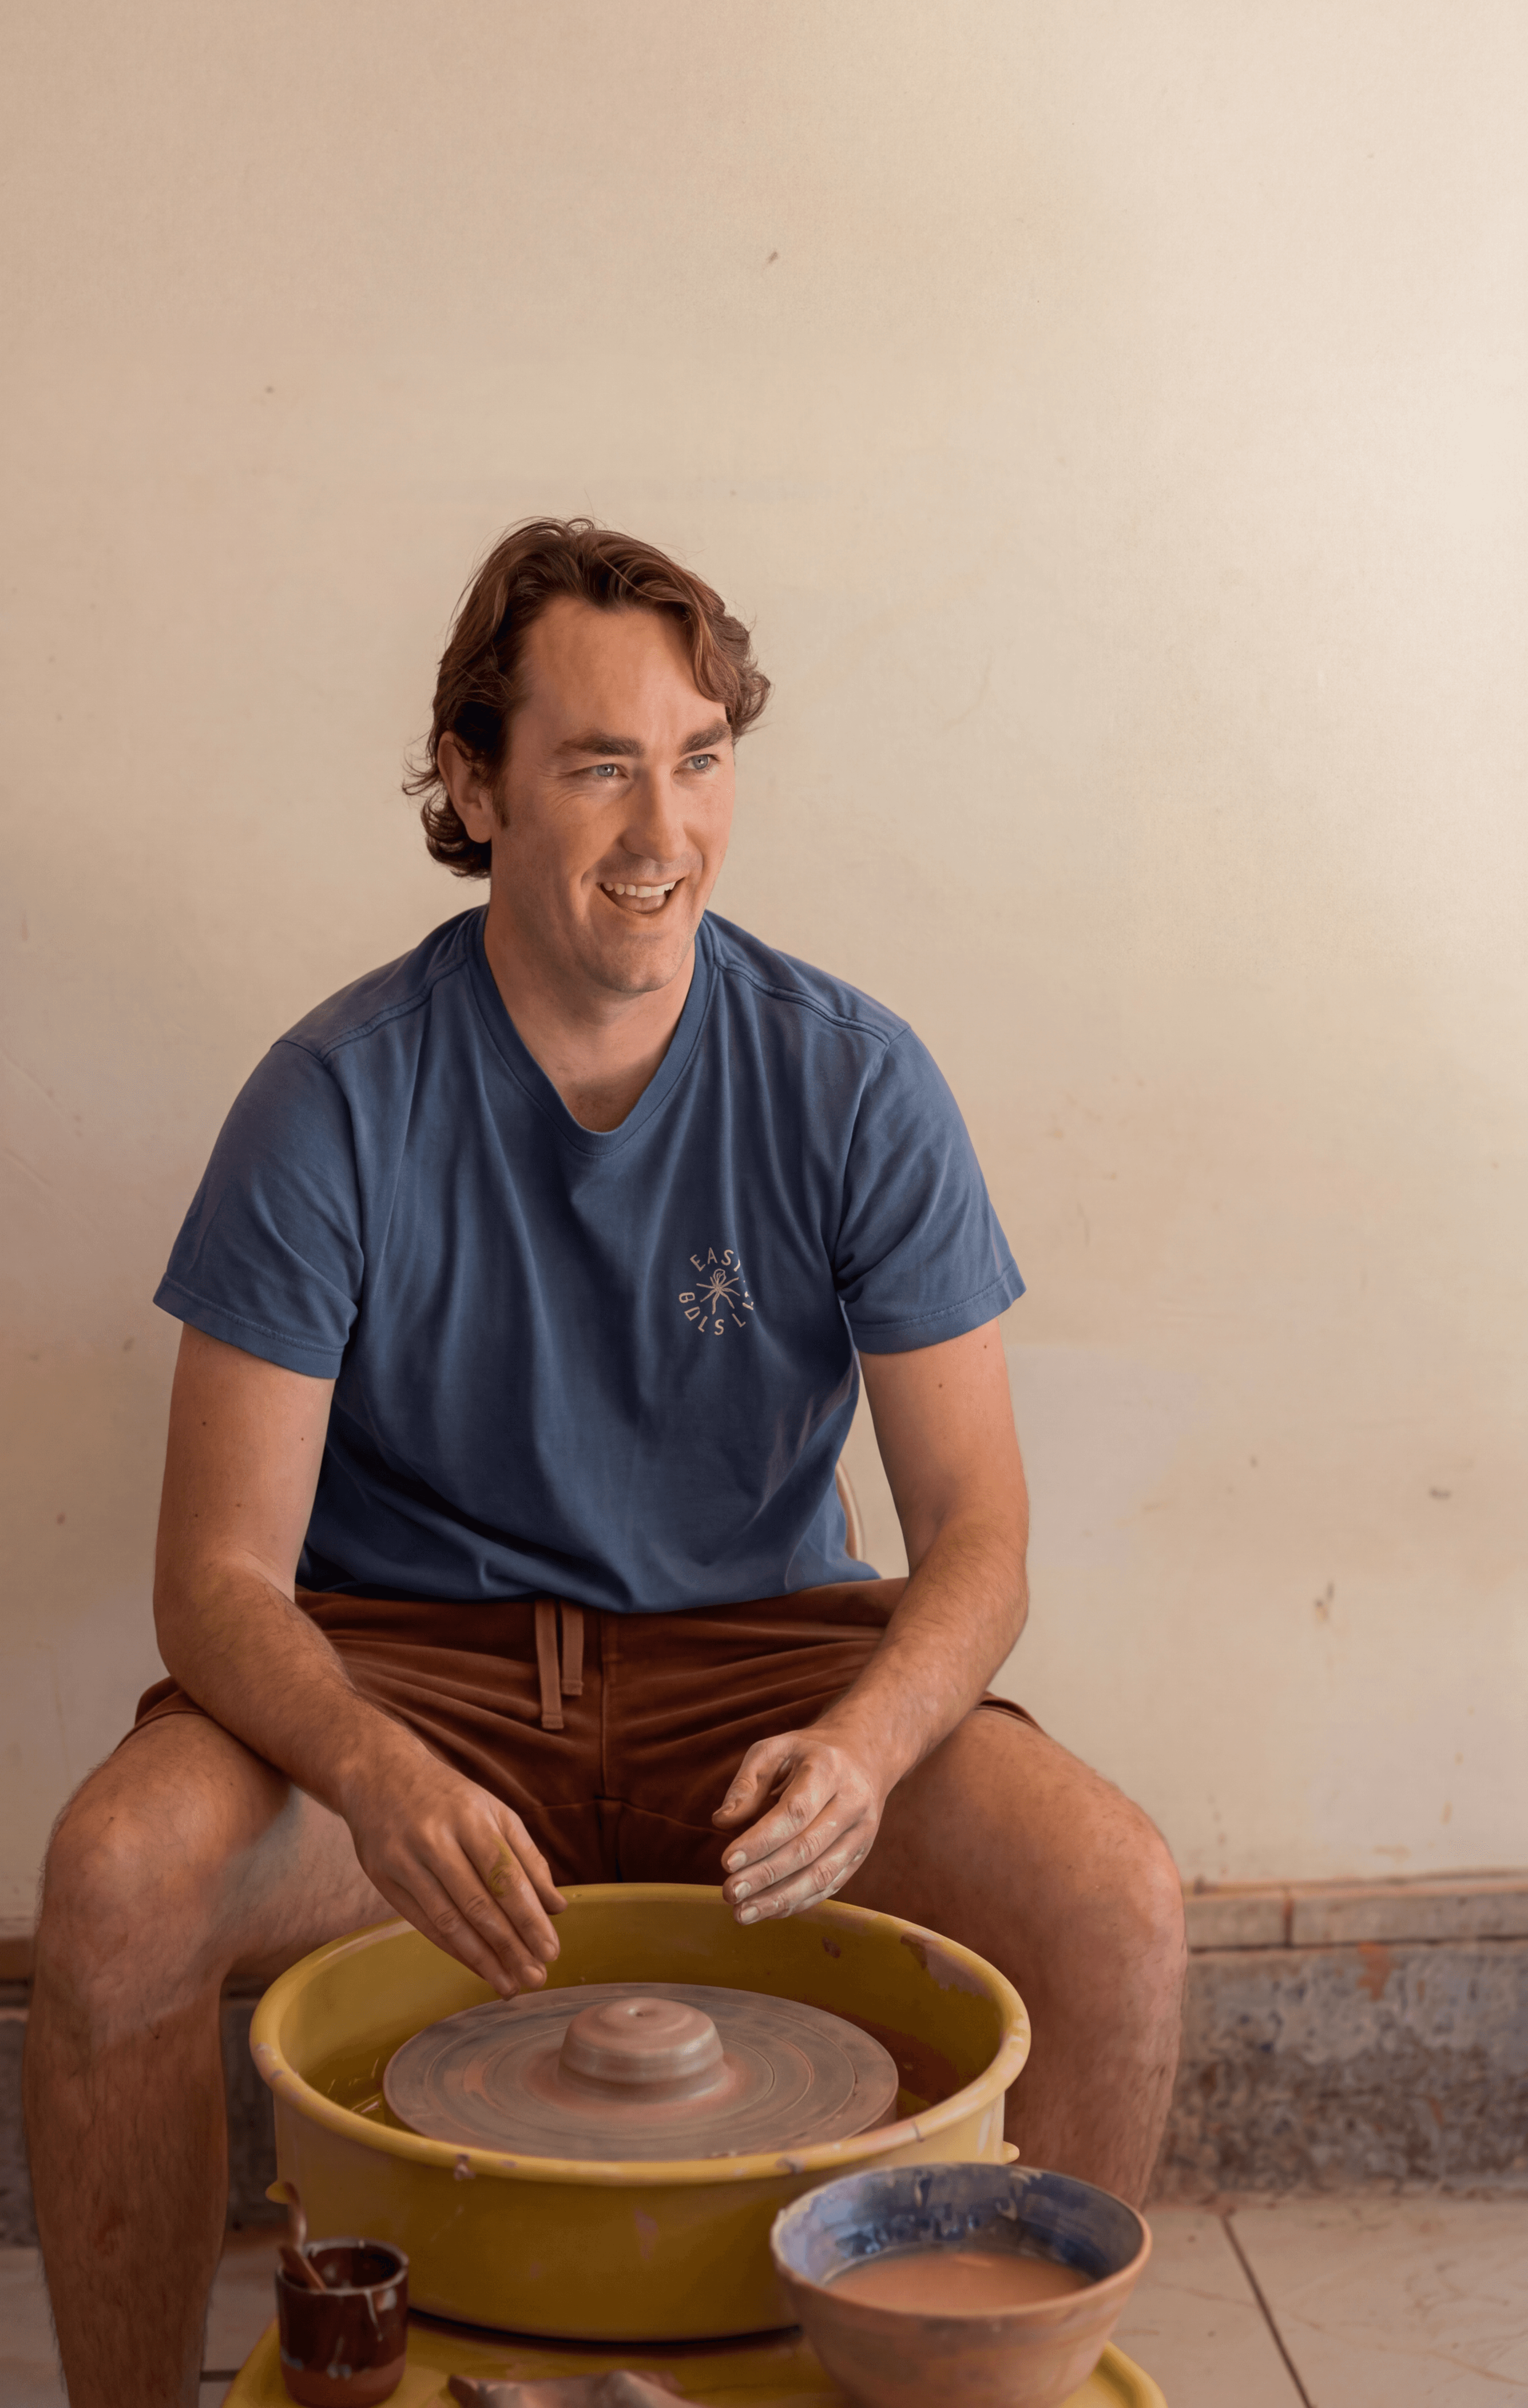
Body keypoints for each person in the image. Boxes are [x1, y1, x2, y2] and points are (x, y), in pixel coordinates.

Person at [25, 520, 1186, 2408]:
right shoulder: (332, 1100)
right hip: (420, 1685)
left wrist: (867, 1747)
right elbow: (217, 1580)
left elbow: (981, 1534)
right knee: (113, 1881)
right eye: (597, 766)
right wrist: (372, 1770)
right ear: (476, 786)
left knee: (1117, 1896)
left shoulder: (853, 1078)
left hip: (767, 1682)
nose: (666, 829)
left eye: (701, 757)